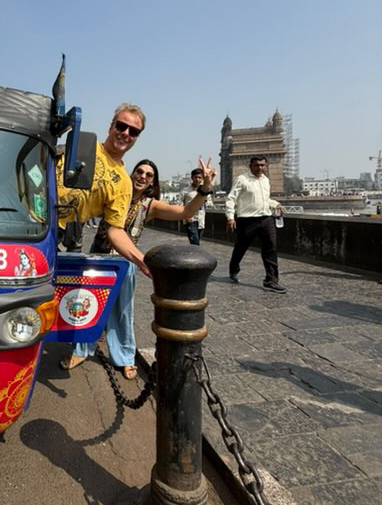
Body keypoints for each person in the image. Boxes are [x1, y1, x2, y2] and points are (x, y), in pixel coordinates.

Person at [61, 156, 216, 377]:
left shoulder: (148, 206)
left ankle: (124, 356)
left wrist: (205, 188)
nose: (143, 176)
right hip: (99, 259)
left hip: (126, 262)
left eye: (148, 175)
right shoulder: (113, 194)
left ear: (153, 183)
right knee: (89, 305)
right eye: (140, 172)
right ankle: (81, 349)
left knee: (123, 311)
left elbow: (185, 213)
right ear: (132, 174)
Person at [57, 104, 149, 276]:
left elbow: (115, 231)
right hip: (25, 219)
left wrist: (143, 262)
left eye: (133, 131)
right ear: (111, 126)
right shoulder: (81, 147)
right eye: (121, 126)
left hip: (57, 237)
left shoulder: (123, 183)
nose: (126, 133)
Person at [225, 155, 286, 293]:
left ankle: (271, 280)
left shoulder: (265, 180)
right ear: (250, 166)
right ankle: (234, 268)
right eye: (257, 165)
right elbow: (231, 199)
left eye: (262, 165)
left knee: (271, 248)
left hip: (266, 219)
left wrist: (276, 204)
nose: (260, 168)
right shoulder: (242, 180)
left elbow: (265, 199)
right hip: (247, 220)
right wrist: (230, 217)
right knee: (241, 247)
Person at [183, 167, 208, 245]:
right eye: (196, 177)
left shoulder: (204, 190)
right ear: (192, 178)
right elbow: (180, 205)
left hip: (201, 220)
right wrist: (186, 217)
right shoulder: (185, 191)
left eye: (199, 177)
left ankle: (192, 255)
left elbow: (208, 203)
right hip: (190, 219)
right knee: (195, 243)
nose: (197, 179)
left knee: (196, 242)